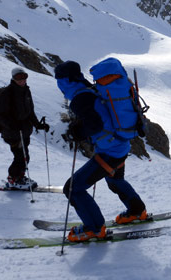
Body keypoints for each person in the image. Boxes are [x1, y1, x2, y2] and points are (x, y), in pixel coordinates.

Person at [54, 61, 147, 242]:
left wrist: (78, 132)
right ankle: (137, 211)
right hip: (120, 144)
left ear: (65, 81)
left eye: (59, 80)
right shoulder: (91, 89)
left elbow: (95, 124)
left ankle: (94, 228)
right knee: (115, 180)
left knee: (73, 188)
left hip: (110, 151)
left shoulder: (80, 98)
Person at [0, 67, 49, 189]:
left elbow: (30, 112)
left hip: (24, 131)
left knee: (25, 156)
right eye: (18, 78)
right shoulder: (7, 93)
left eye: (24, 77)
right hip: (12, 133)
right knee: (20, 156)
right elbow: (1, 115)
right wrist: (12, 125)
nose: (22, 80)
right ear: (13, 78)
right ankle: (13, 179)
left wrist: (38, 125)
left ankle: (19, 177)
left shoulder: (26, 91)